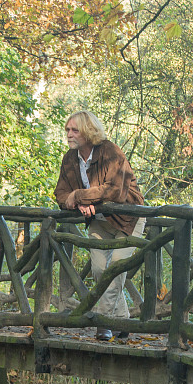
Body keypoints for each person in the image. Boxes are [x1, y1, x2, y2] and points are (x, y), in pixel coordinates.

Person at [54, 110, 145, 341]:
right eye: (67, 130)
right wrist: (76, 200)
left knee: (115, 268)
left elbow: (115, 190)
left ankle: (103, 322)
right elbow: (61, 194)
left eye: (74, 130)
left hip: (127, 220)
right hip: (99, 223)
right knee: (99, 270)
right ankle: (122, 322)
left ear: (88, 131)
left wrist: (81, 196)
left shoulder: (110, 151)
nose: (69, 134)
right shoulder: (70, 159)